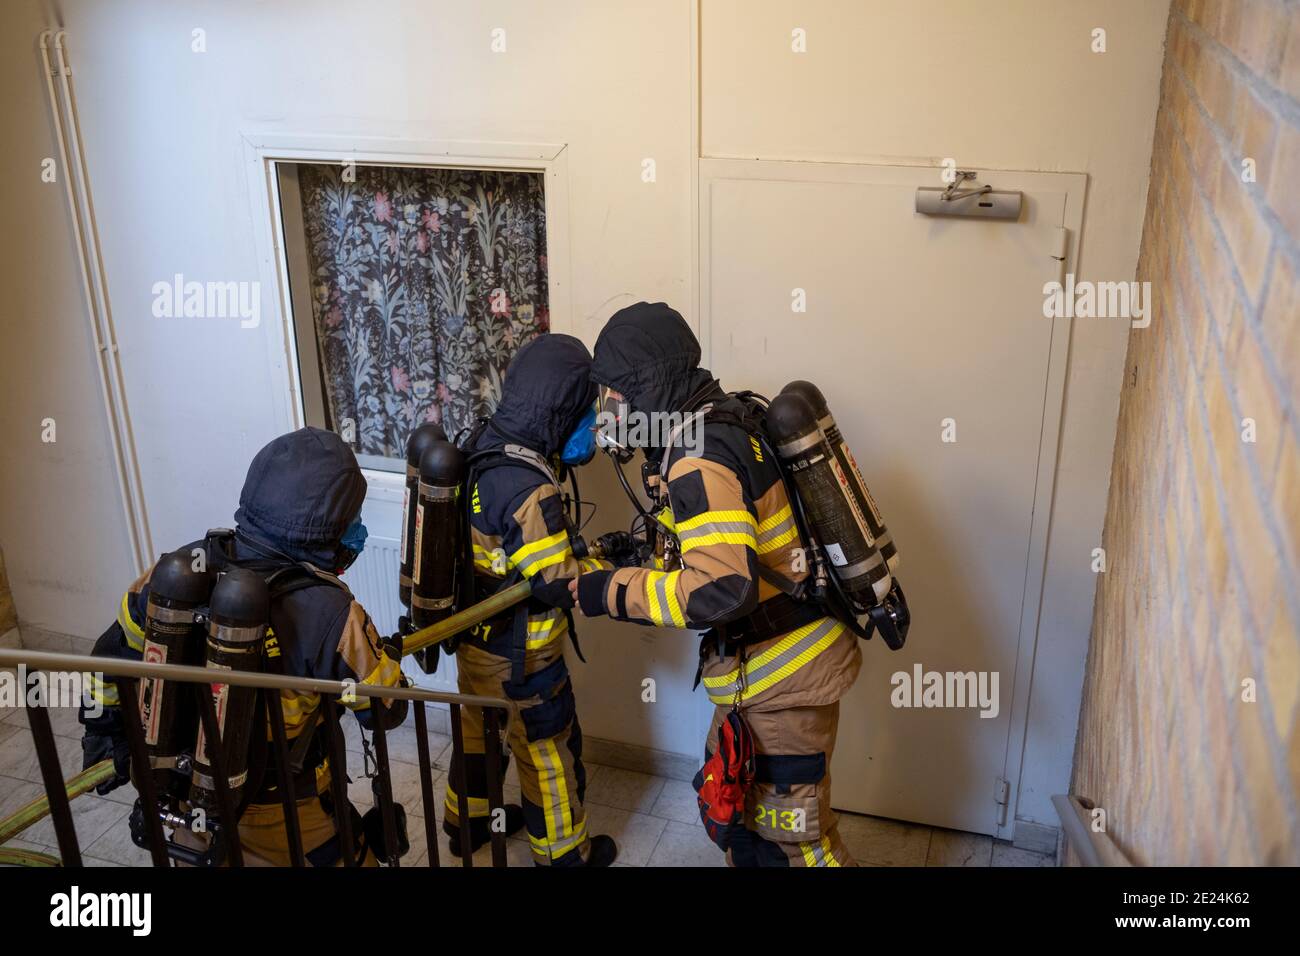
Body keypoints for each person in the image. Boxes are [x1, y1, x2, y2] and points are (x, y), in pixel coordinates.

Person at [572, 301, 861, 867]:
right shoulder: (724, 419)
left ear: (645, 386)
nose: (607, 415)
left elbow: (721, 589)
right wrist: (647, 552)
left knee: (795, 845)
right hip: (773, 672)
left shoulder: (697, 456)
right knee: (738, 815)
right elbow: (726, 542)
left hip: (785, 679)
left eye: (613, 397)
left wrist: (611, 591)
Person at [80, 426, 408, 866]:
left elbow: (111, 654)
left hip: (187, 804)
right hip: (286, 813)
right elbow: (387, 708)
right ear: (328, 523)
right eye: (351, 517)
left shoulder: (177, 573)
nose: (356, 529)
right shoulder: (333, 613)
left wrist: (105, 733)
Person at [444, 332, 618, 867]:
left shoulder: (481, 446)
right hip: (525, 657)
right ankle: (565, 854)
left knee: (477, 731)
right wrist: (611, 569)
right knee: (545, 747)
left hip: (474, 646)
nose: (594, 423)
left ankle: (466, 823)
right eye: (588, 408)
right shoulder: (529, 486)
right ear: (562, 407)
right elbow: (555, 581)